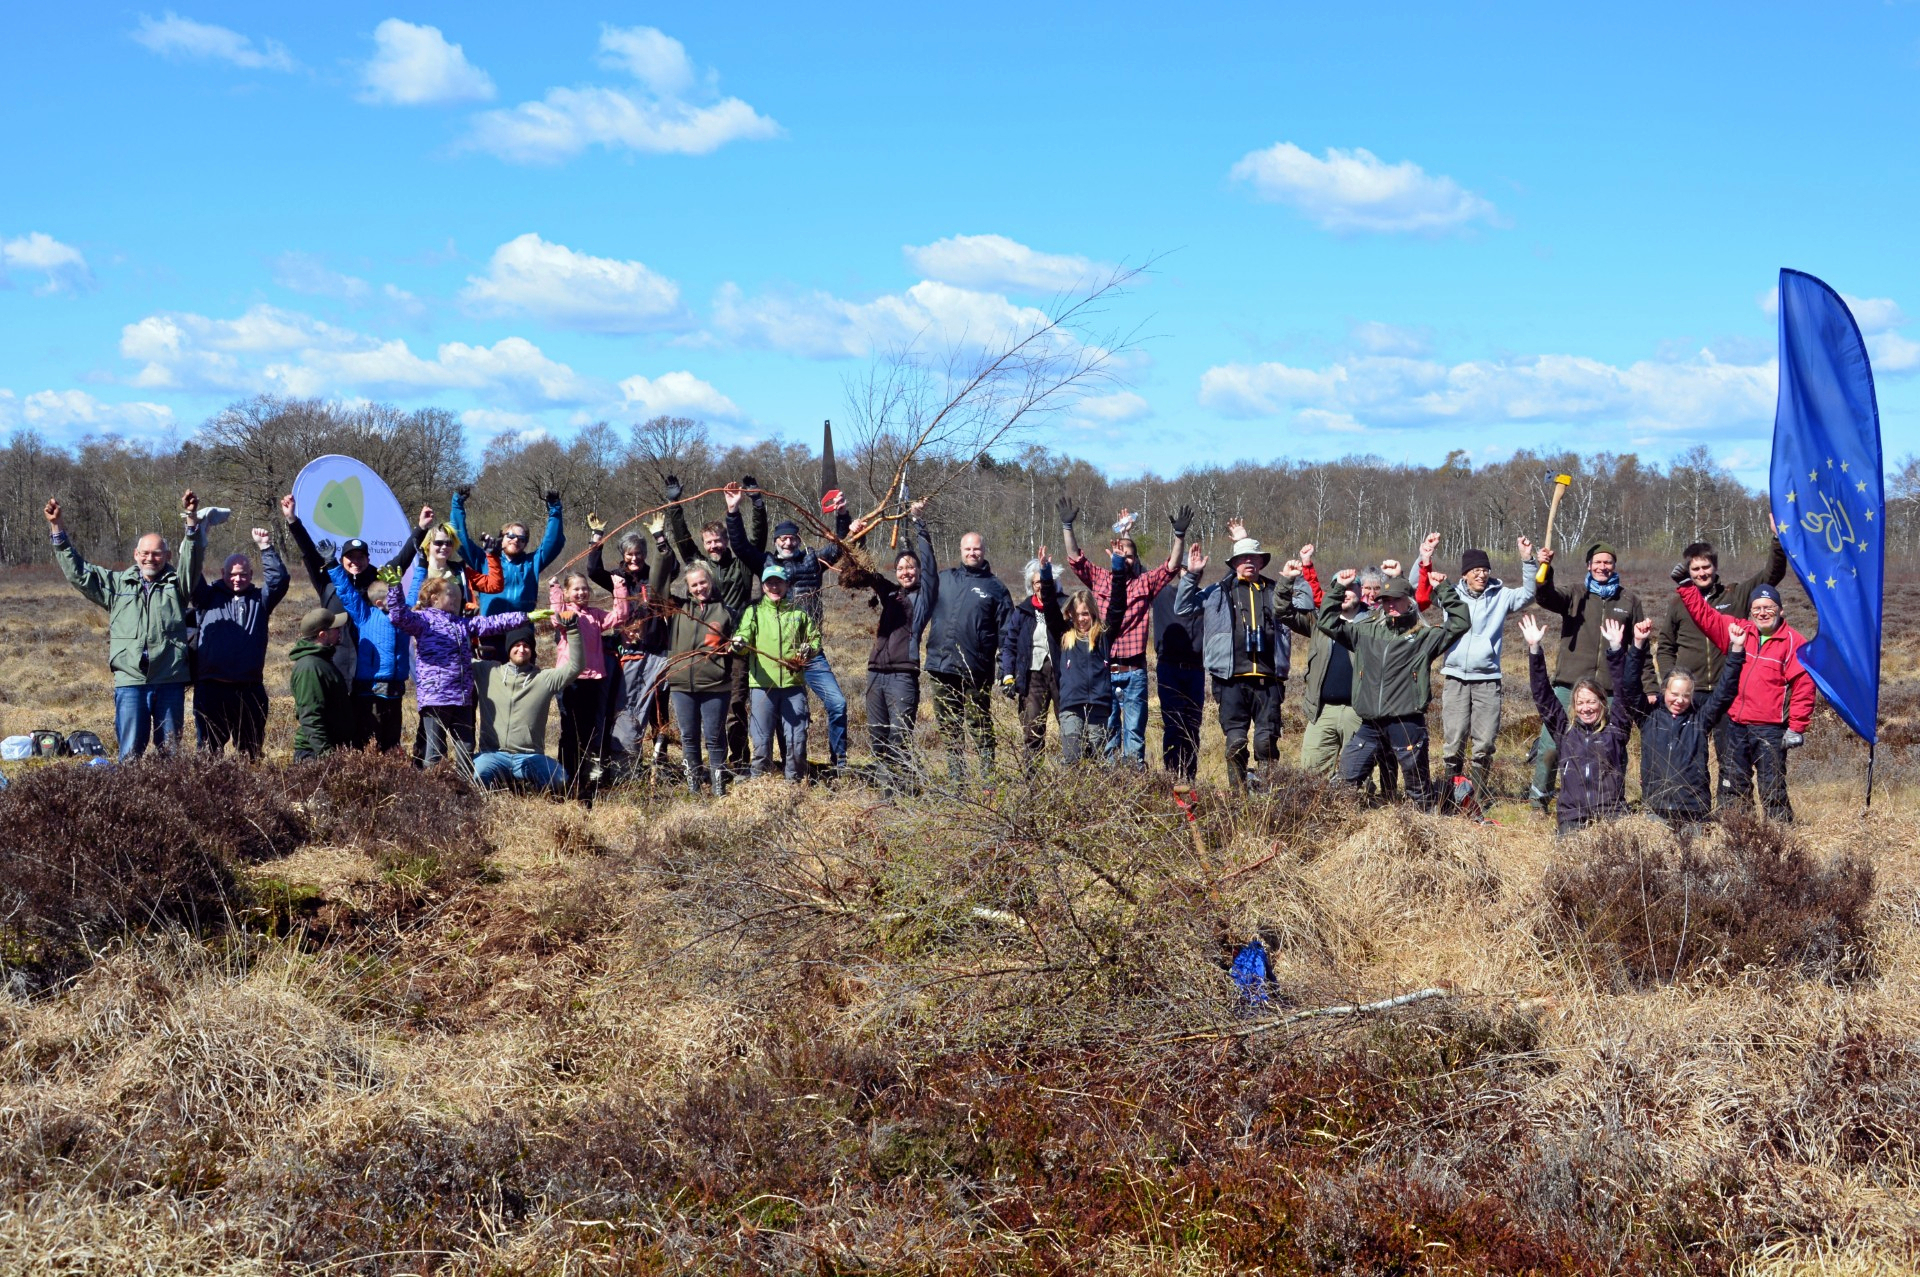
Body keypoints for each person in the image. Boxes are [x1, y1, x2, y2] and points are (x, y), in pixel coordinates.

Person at [47, 491, 204, 760]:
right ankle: (131, 800)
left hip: (169, 679)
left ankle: (171, 800)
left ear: (166, 555)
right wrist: (57, 529)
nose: (150, 558)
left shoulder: (177, 586)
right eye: (145, 553)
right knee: (129, 753)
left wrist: (191, 521)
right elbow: (80, 574)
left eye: (157, 554)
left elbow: (192, 562)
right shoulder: (117, 585)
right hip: (130, 681)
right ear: (135, 554)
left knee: (171, 753)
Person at [1172, 534, 1315, 792]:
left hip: (1268, 679)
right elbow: (1182, 608)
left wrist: (1298, 576)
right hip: (1230, 681)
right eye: (1243, 558)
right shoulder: (1218, 590)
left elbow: (1307, 605)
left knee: (1265, 742)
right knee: (1235, 742)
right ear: (1234, 563)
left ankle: (1268, 797)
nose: (1249, 561)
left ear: (1261, 562)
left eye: (1254, 557)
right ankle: (1238, 798)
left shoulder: (1276, 590)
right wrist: (1191, 576)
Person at [1319, 569, 1470, 810]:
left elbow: (1461, 622)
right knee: (1346, 780)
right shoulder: (1365, 631)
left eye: (1395, 600)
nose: (1389, 605)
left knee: (1418, 789)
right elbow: (1326, 621)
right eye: (1385, 601)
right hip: (1370, 723)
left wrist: (1444, 590)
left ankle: (1427, 831)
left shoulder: (1424, 636)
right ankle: (1341, 827)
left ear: (1409, 602)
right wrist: (1339, 587)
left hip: (1407, 723)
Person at [730, 480, 854, 774]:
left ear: (798, 540)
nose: (787, 542)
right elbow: (740, 545)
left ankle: (840, 763)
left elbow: (840, 545)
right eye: (782, 538)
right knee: (782, 717)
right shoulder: (766, 563)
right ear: (775, 542)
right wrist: (734, 511)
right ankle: (782, 769)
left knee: (837, 703)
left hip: (810, 654)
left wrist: (842, 516)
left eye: (792, 538)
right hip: (775, 655)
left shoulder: (814, 561)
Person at [282, 492, 420, 752]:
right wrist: (292, 521)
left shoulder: (377, 580)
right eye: (350, 557)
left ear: (368, 558)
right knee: (339, 727)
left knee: (370, 731)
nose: (356, 562)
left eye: (361, 557)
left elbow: (403, 560)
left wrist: (421, 529)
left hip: (367, 672)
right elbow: (310, 555)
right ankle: (330, 764)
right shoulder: (328, 582)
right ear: (342, 559)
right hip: (338, 666)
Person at [1528, 542, 1658, 815]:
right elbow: (1545, 596)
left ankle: (1608, 804)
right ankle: (1539, 800)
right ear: (1588, 565)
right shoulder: (1575, 594)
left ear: (1614, 566)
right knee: (1552, 746)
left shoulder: (1629, 601)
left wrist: (1649, 686)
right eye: (1597, 562)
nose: (1602, 567)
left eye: (1607, 562)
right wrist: (1545, 567)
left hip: (1611, 689)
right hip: (1569, 684)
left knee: (1611, 750)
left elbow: (1641, 648)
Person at [1655, 536, 1787, 803]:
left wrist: (1776, 540)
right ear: (1688, 572)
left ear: (1714, 567)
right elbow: (1665, 645)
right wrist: (1671, 679)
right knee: (1690, 754)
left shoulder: (1735, 593)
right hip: (1690, 696)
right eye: (1695, 569)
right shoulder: (1678, 603)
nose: (1702, 573)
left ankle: (1735, 813)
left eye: (1706, 567)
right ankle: (1693, 807)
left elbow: (1771, 574)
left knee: (1731, 757)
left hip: (1729, 693)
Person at [1671, 576, 1813, 822]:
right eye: (1757, 608)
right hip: (1735, 724)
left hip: (1770, 729)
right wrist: (1687, 588)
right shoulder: (1739, 632)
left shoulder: (1793, 643)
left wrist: (1797, 727)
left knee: (1772, 784)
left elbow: (1803, 686)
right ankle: (1735, 829)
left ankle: (1780, 833)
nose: (1763, 613)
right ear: (1750, 612)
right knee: (1733, 781)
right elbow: (1707, 617)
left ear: (1780, 610)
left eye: (1769, 608)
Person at [1058, 500, 1190, 764]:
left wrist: (1179, 536)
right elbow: (1076, 559)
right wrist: (1067, 526)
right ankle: (1110, 789)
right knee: (1107, 737)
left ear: (1136, 558)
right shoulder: (1100, 579)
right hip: (1103, 673)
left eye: (1130, 555)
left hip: (1134, 673)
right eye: (1121, 553)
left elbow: (1171, 567)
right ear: (1114, 554)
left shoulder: (1145, 583)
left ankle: (1134, 786)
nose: (1126, 558)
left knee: (1134, 735)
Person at [386, 575, 534, 773]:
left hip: (462, 697)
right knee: (436, 750)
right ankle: (435, 792)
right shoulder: (422, 621)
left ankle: (465, 791)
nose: (456, 599)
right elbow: (398, 616)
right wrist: (395, 588)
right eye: (450, 595)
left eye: (457, 596)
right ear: (433, 598)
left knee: (466, 747)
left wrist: (525, 617)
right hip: (436, 698)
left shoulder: (461, 623)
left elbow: (491, 623)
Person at [665, 474, 760, 773]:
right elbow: (682, 542)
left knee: (734, 705)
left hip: (735, 643)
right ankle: (710, 767)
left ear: (726, 541)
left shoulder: (742, 564)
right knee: (707, 715)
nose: (714, 546)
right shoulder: (701, 568)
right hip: (704, 649)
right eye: (709, 542)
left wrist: (755, 505)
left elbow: (756, 539)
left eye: (718, 541)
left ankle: (739, 762)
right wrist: (675, 505)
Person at [1435, 538, 1537, 807]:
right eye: (1475, 571)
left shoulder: (1501, 596)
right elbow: (1418, 591)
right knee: (1453, 740)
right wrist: (1424, 559)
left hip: (1488, 680)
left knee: (1485, 742)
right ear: (1465, 574)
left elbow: (1529, 593)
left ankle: (1476, 800)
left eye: (1485, 570)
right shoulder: (1451, 595)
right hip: (1456, 676)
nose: (1481, 575)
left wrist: (1527, 560)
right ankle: (1450, 797)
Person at [1520, 614, 1638, 833]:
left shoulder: (1616, 730)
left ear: (1602, 703)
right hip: (1572, 817)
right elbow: (1542, 695)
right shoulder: (1565, 732)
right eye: (1580, 703)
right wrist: (1535, 649)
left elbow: (1624, 691)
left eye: (1592, 702)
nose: (1586, 708)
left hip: (1611, 816)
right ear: (1574, 706)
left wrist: (1615, 650)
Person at [844, 502, 934, 786]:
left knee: (899, 736)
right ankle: (886, 792)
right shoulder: (891, 593)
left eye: (911, 567)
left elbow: (931, 568)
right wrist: (856, 536)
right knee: (878, 737)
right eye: (901, 568)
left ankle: (903, 792)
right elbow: (865, 571)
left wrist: (919, 523)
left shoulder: (924, 597)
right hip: (875, 675)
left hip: (902, 676)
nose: (906, 571)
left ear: (918, 571)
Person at [1626, 616, 1746, 828]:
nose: (1679, 700)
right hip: (1657, 809)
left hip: (1694, 811)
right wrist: (1638, 644)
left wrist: (1736, 650)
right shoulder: (1648, 718)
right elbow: (1630, 687)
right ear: (1664, 691)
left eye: (1686, 695)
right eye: (1674, 694)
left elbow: (1725, 692)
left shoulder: (1700, 720)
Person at [189, 524, 290, 758]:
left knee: (250, 752)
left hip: (250, 689)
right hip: (211, 688)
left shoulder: (261, 600)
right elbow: (191, 574)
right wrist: (197, 539)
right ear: (223, 573)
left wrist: (265, 547)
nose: (238, 579)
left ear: (251, 575)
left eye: (243, 574)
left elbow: (280, 580)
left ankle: (247, 794)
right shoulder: (207, 597)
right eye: (232, 574)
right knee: (208, 753)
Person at [923, 530, 1014, 781]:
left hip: (977, 670)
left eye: (977, 549)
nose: (972, 553)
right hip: (941, 666)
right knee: (949, 728)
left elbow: (1007, 632)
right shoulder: (944, 579)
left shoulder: (997, 589)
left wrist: (1004, 668)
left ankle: (988, 780)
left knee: (980, 726)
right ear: (960, 551)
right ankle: (957, 780)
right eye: (967, 549)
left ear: (983, 551)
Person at [588, 522, 675, 779]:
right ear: (623, 555)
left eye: (638, 553)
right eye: (629, 554)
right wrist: (597, 538)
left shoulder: (654, 574)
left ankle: (661, 759)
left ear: (645, 553)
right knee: (624, 704)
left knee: (659, 706)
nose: (634, 558)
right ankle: (622, 757)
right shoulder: (618, 577)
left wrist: (660, 536)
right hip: (627, 652)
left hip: (656, 649)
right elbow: (593, 570)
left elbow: (673, 566)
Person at [471, 616, 587, 793]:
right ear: (508, 648)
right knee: (475, 777)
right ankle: (506, 786)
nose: (521, 649)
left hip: (530, 756)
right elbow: (460, 658)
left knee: (559, 780)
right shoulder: (488, 671)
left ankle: (523, 788)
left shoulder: (545, 679)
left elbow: (576, 666)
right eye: (516, 645)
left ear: (532, 650)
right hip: (493, 755)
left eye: (526, 645)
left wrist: (572, 629)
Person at [1039, 548, 1133, 765]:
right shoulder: (1064, 635)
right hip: (1071, 707)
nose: (1082, 619)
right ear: (1070, 614)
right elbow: (1050, 607)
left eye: (1086, 614)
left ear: (1093, 614)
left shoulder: (1103, 636)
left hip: (1099, 708)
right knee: (1072, 760)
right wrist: (1045, 574)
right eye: (1077, 614)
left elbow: (1118, 606)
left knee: (1096, 764)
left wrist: (1118, 568)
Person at [450, 485, 564, 659]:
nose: (515, 540)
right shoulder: (484, 559)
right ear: (501, 538)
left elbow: (553, 542)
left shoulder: (531, 562)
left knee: (523, 680)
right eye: (510, 536)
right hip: (491, 630)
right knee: (493, 680)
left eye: (521, 538)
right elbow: (461, 539)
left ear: (525, 544)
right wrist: (457, 504)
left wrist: (554, 509)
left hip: (521, 631)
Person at [655, 554, 737, 796]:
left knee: (714, 737)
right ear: (688, 588)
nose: (700, 588)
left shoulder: (725, 611)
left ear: (710, 581)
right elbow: (657, 588)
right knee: (689, 738)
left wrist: (735, 646)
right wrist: (662, 551)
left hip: (715, 685)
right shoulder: (678, 609)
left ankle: (718, 785)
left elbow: (737, 642)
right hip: (682, 685)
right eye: (694, 585)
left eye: (703, 582)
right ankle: (693, 785)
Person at [734, 563, 821, 782]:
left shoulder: (798, 613)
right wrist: (739, 643)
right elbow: (744, 639)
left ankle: (795, 783)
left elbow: (814, 638)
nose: (774, 587)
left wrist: (809, 649)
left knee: (796, 740)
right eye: (770, 582)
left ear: (787, 585)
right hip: (762, 687)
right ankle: (761, 786)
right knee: (762, 742)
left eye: (778, 582)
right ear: (763, 586)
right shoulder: (753, 613)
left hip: (793, 686)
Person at [548, 571, 630, 803]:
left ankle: (581, 781)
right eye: (576, 589)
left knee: (587, 733)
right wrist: (554, 592)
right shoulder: (567, 613)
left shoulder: (595, 616)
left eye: (584, 588)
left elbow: (620, 616)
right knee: (569, 733)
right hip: (569, 681)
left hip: (593, 680)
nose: (581, 592)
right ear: (567, 593)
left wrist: (618, 586)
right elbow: (556, 618)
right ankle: (564, 780)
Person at [1151, 542, 1208, 783]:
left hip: (1196, 671)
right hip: (1169, 669)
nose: (1189, 573)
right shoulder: (1163, 594)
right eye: (1185, 569)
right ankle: (1172, 778)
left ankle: (1191, 780)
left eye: (1194, 570)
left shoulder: (1206, 598)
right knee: (1174, 726)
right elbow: (1138, 575)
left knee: (1193, 728)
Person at [1001, 554, 1057, 760]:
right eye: (1036, 583)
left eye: (1044, 582)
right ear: (1031, 585)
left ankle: (1075, 782)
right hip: (1032, 675)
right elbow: (1009, 645)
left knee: (1072, 729)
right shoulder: (1023, 611)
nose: (1041, 586)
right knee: (1032, 730)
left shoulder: (1064, 605)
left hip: (1061, 675)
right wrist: (1007, 674)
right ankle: (1034, 784)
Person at [289, 607, 352, 761]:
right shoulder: (310, 667)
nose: (340, 631)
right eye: (335, 628)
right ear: (323, 635)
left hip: (326, 750)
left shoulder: (322, 661)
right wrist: (327, 757)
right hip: (314, 754)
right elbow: (310, 717)